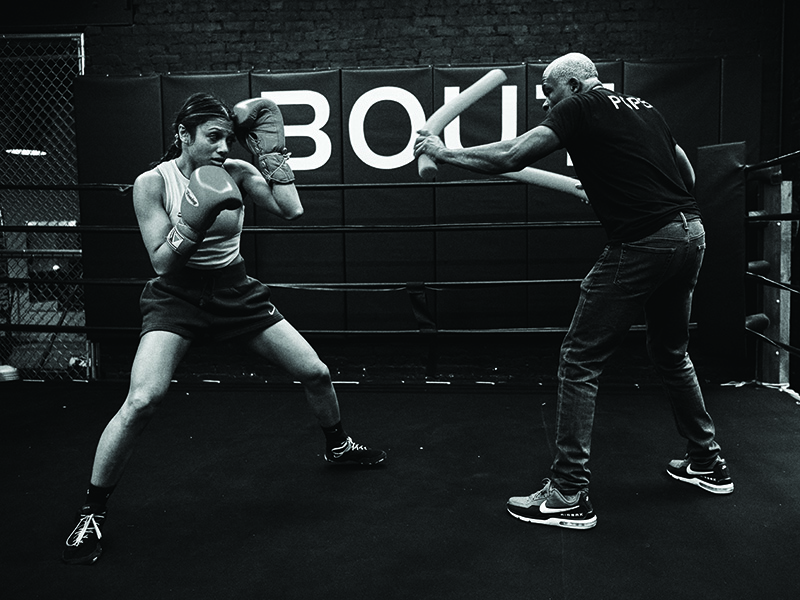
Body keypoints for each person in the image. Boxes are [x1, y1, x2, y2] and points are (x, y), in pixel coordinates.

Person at [62, 93, 386, 565]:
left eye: (227, 138)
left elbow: (291, 211)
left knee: (315, 371)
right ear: (183, 136)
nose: (221, 147)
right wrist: (194, 218)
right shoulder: (152, 183)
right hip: (176, 296)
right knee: (142, 400)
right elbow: (159, 260)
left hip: (235, 291)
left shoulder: (239, 172)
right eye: (212, 138)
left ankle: (338, 446)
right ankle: (92, 511)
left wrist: (271, 154)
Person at [414, 53, 733, 529]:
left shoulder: (580, 106)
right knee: (670, 352)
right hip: (690, 234)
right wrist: (621, 186)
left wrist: (442, 153)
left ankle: (568, 493)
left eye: (550, 94)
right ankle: (707, 461)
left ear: (577, 85)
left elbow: (512, 155)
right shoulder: (645, 108)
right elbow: (683, 172)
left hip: (643, 241)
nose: (547, 105)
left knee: (579, 359)